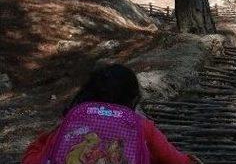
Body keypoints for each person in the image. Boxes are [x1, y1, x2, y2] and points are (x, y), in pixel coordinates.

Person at [21, 64, 200, 164]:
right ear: (133, 98)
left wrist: (41, 141)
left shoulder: (71, 124)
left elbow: (31, 160)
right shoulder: (141, 126)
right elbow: (176, 161)